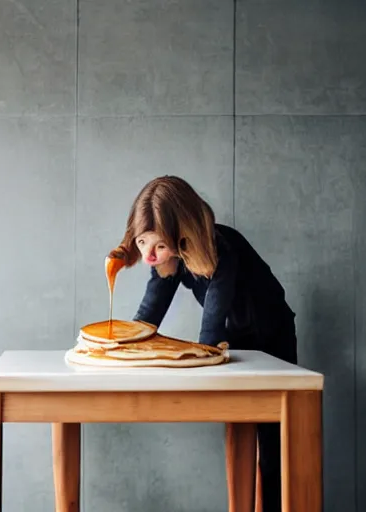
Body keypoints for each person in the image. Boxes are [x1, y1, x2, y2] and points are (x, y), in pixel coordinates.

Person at [108, 175, 297, 511]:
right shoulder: (168, 257)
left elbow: (212, 323)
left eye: (159, 246)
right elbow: (148, 314)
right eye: (141, 243)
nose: (149, 256)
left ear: (182, 237)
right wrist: (120, 349)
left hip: (271, 336)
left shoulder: (221, 247)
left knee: (272, 445)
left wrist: (196, 360)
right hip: (235, 340)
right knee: (238, 433)